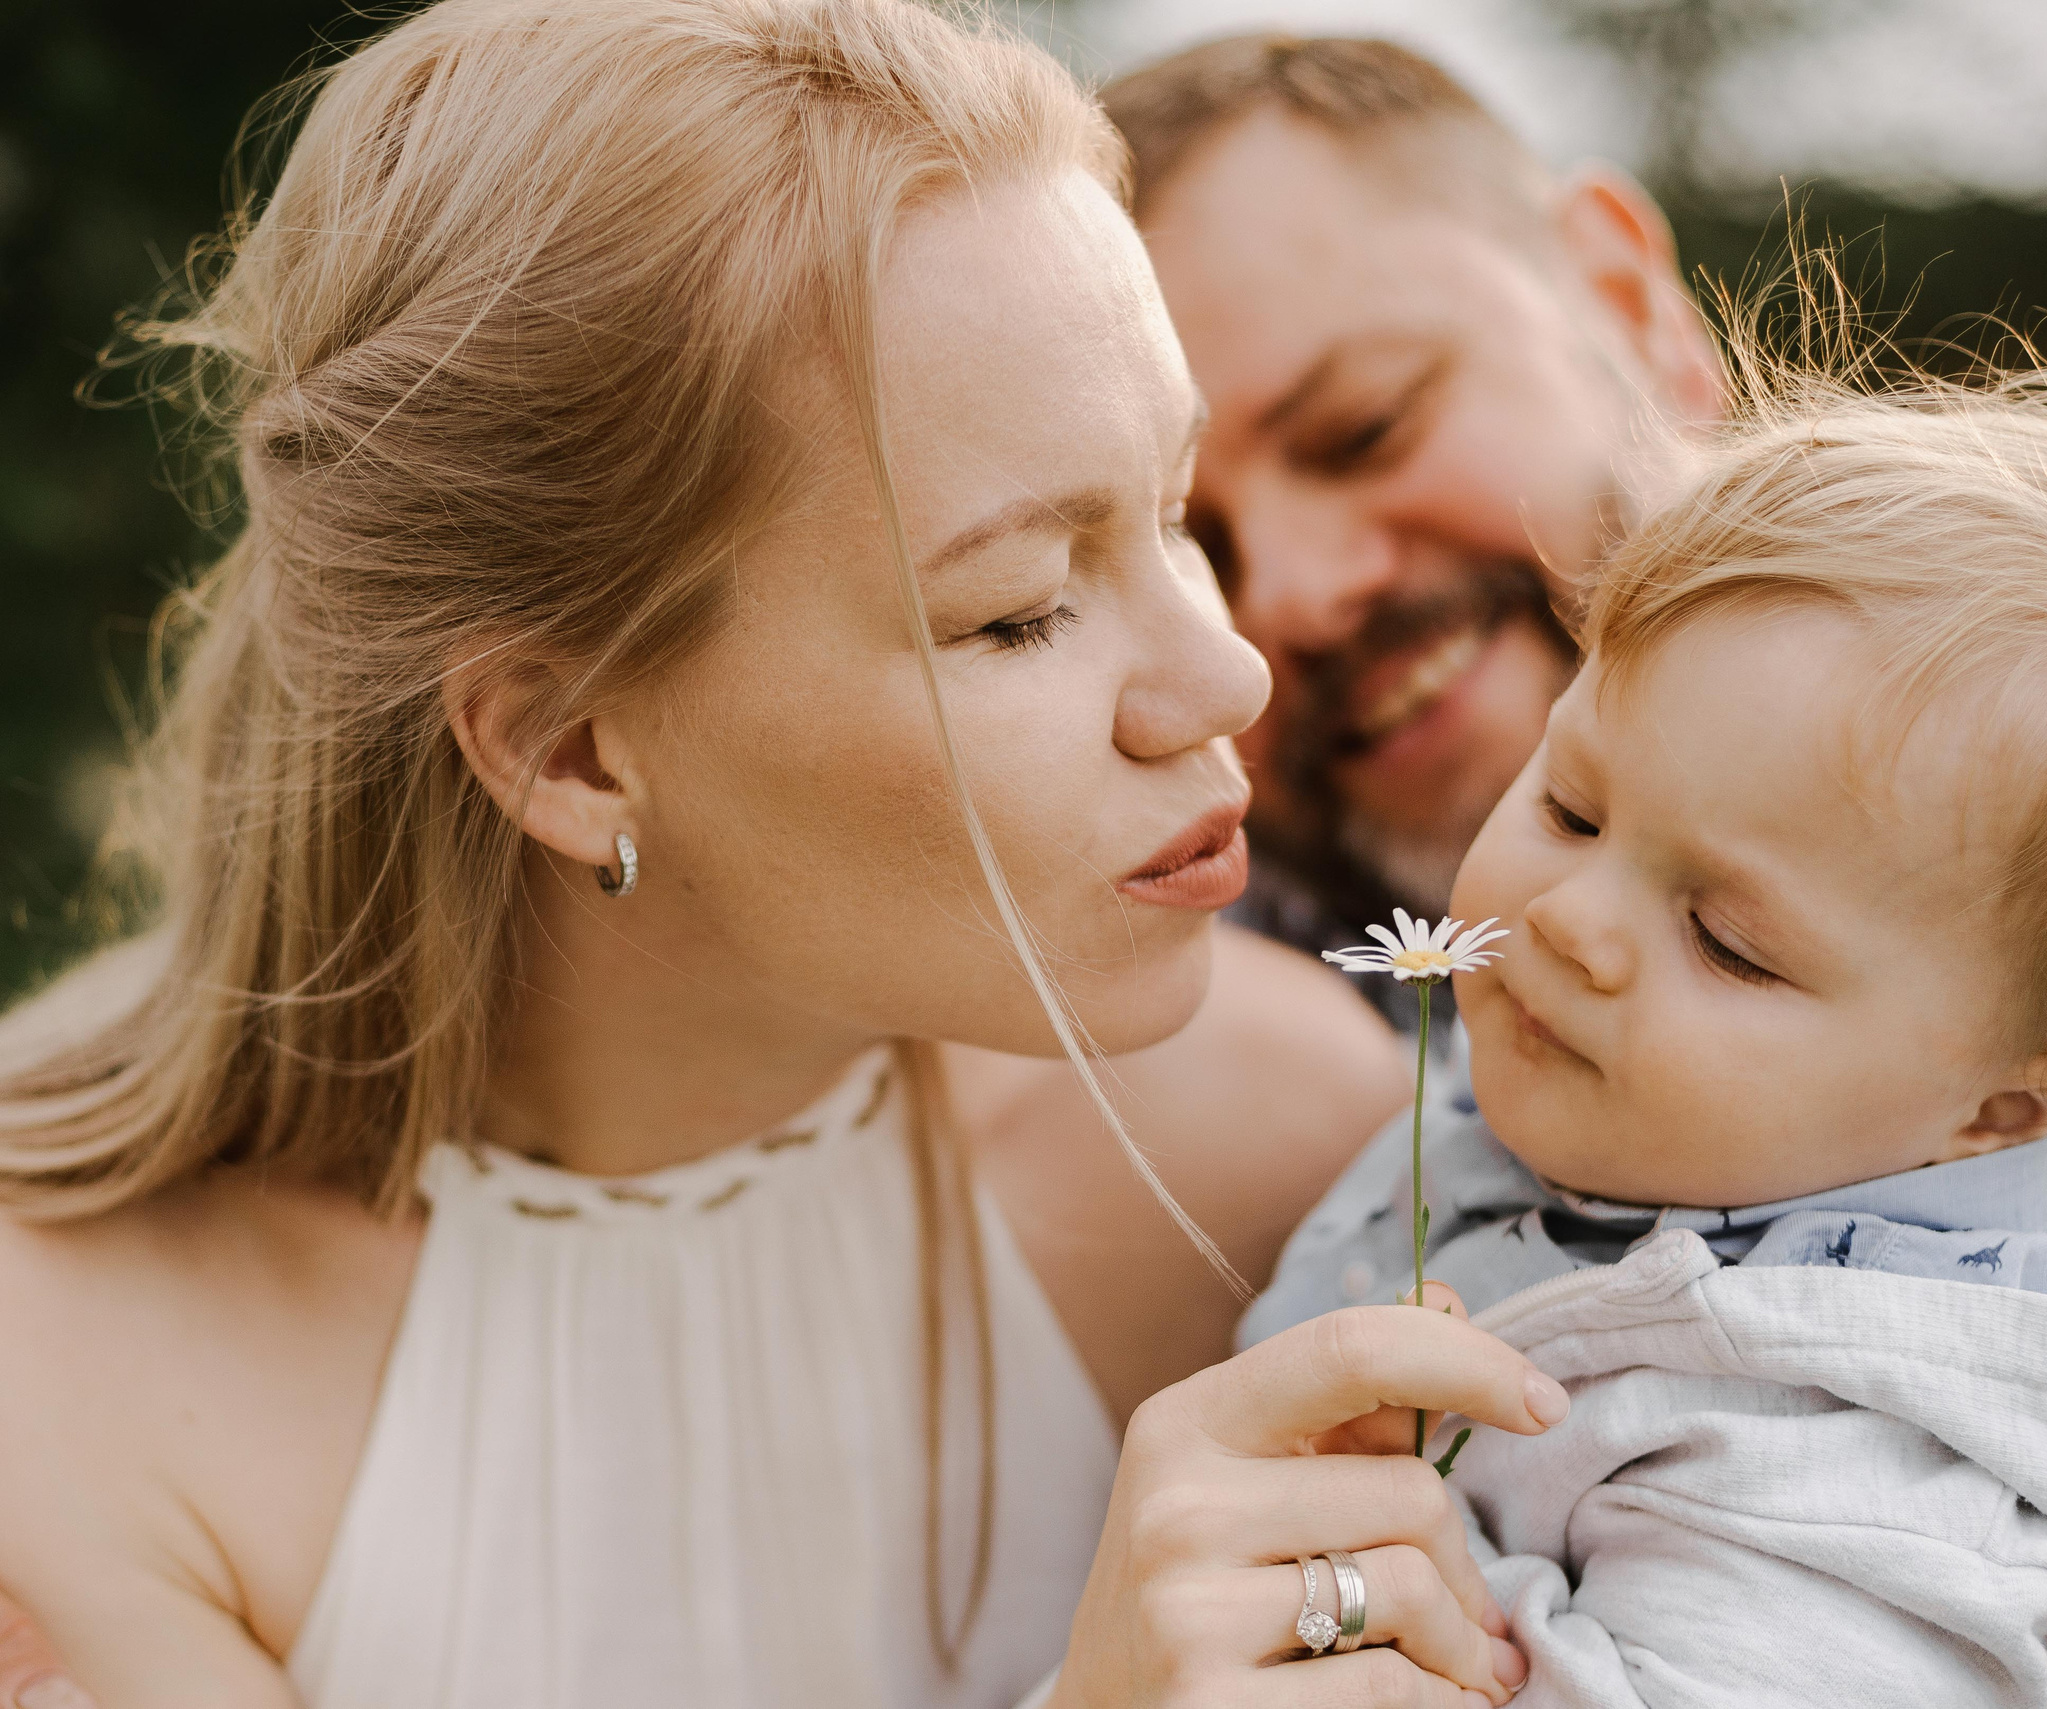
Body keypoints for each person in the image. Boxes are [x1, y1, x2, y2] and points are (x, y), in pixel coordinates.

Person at [0, 4, 1569, 1705]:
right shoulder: (64, 1372)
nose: (1226, 674)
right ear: (571, 749)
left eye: (1175, 511)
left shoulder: (1279, 1148)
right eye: (1020, 610)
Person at [1102, 34, 2047, 1709]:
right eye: (1182, 539)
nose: (1285, 594)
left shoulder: (1871, 1456)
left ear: (1620, 288)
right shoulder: (1188, 931)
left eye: (1365, 425)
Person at [1252, 345, 2047, 1704]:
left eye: (1730, 943)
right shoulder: (1621, 1121)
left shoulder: (1873, 1482)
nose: (1574, 916)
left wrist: (1393, 1560)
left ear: (1998, 1108)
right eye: (1572, 805)